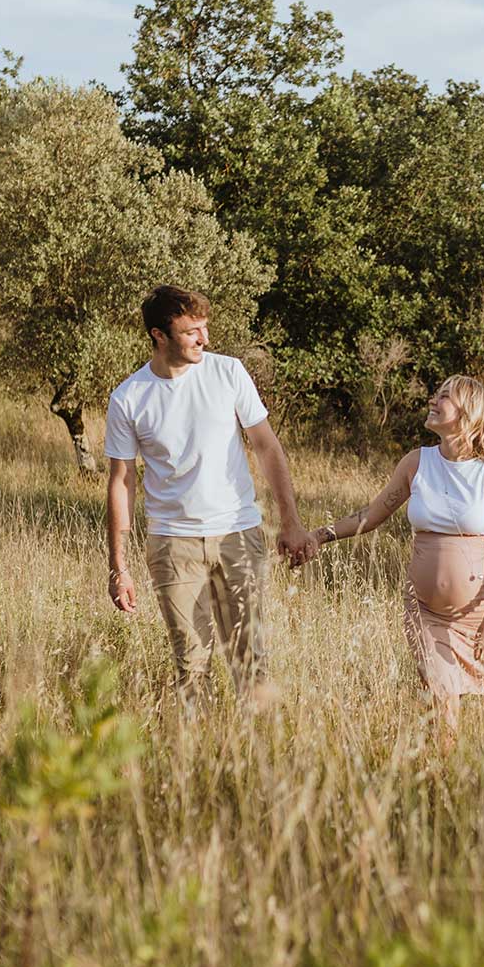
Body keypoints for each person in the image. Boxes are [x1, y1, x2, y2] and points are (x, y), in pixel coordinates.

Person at [104, 285, 317, 692]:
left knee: (250, 660)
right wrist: (119, 567)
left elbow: (267, 448)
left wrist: (291, 522)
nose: (204, 339)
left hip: (238, 534)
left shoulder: (229, 371)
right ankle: (196, 753)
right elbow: (122, 480)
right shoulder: (129, 398)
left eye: (204, 328)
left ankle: (257, 751)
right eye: (191, 332)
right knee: (190, 666)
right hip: (172, 544)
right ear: (159, 336)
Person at [314, 375, 484, 734]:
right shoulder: (417, 462)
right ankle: (444, 780)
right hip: (426, 613)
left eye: (444, 397)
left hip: (481, 615)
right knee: (442, 708)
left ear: (468, 412)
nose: (433, 400)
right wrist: (319, 536)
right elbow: (370, 516)